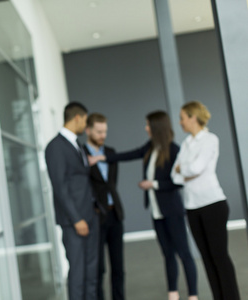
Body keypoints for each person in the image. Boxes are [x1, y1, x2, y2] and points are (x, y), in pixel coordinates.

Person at [90, 111, 198, 300]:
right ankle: (173, 293)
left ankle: (193, 295)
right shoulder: (151, 147)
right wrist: (102, 158)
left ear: (157, 127)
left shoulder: (174, 150)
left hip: (172, 211)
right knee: (167, 254)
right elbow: (130, 154)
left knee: (184, 253)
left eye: (148, 125)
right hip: (157, 212)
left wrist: (153, 184)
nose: (146, 128)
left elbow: (179, 181)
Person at [171, 101, 240, 300]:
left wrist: (182, 169)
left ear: (193, 117)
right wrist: (185, 170)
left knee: (219, 256)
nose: (181, 122)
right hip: (192, 207)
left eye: (182, 117)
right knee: (206, 258)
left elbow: (196, 168)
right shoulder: (186, 144)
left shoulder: (210, 140)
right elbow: (174, 176)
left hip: (213, 205)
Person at [45, 102, 99, 300]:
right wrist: (77, 219)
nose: (85, 125)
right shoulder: (55, 147)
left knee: (91, 273)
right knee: (78, 274)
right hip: (74, 221)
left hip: (90, 217)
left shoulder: (77, 145)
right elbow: (60, 187)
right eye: (85, 120)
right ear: (77, 118)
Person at [83, 113, 125, 300]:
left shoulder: (111, 152)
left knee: (118, 268)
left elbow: (112, 183)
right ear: (88, 130)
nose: (103, 135)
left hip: (115, 214)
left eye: (105, 131)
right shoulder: (81, 154)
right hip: (96, 217)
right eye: (99, 131)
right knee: (98, 268)